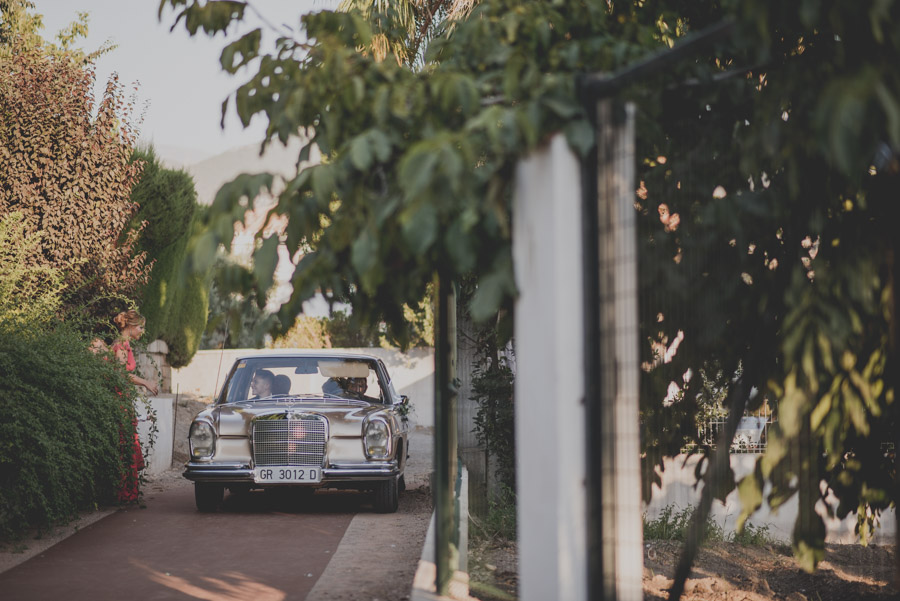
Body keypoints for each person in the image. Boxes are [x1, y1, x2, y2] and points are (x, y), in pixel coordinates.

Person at [111, 309, 157, 504]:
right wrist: (145, 382)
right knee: (125, 444)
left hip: (124, 399)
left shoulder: (126, 345)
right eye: (140, 327)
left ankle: (129, 491)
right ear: (130, 327)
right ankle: (124, 493)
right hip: (119, 400)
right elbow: (122, 375)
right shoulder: (120, 347)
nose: (141, 331)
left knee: (129, 442)